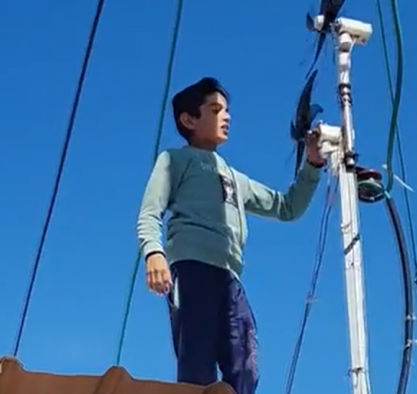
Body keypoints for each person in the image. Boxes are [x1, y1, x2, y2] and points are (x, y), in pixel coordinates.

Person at [136, 77, 324, 394]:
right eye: (215, 110)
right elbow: (149, 212)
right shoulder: (174, 160)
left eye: (226, 110)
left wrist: (313, 164)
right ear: (189, 119)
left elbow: (288, 207)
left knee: (245, 361)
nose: (227, 116)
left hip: (230, 278)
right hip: (192, 269)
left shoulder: (236, 179)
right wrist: (154, 252)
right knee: (197, 360)